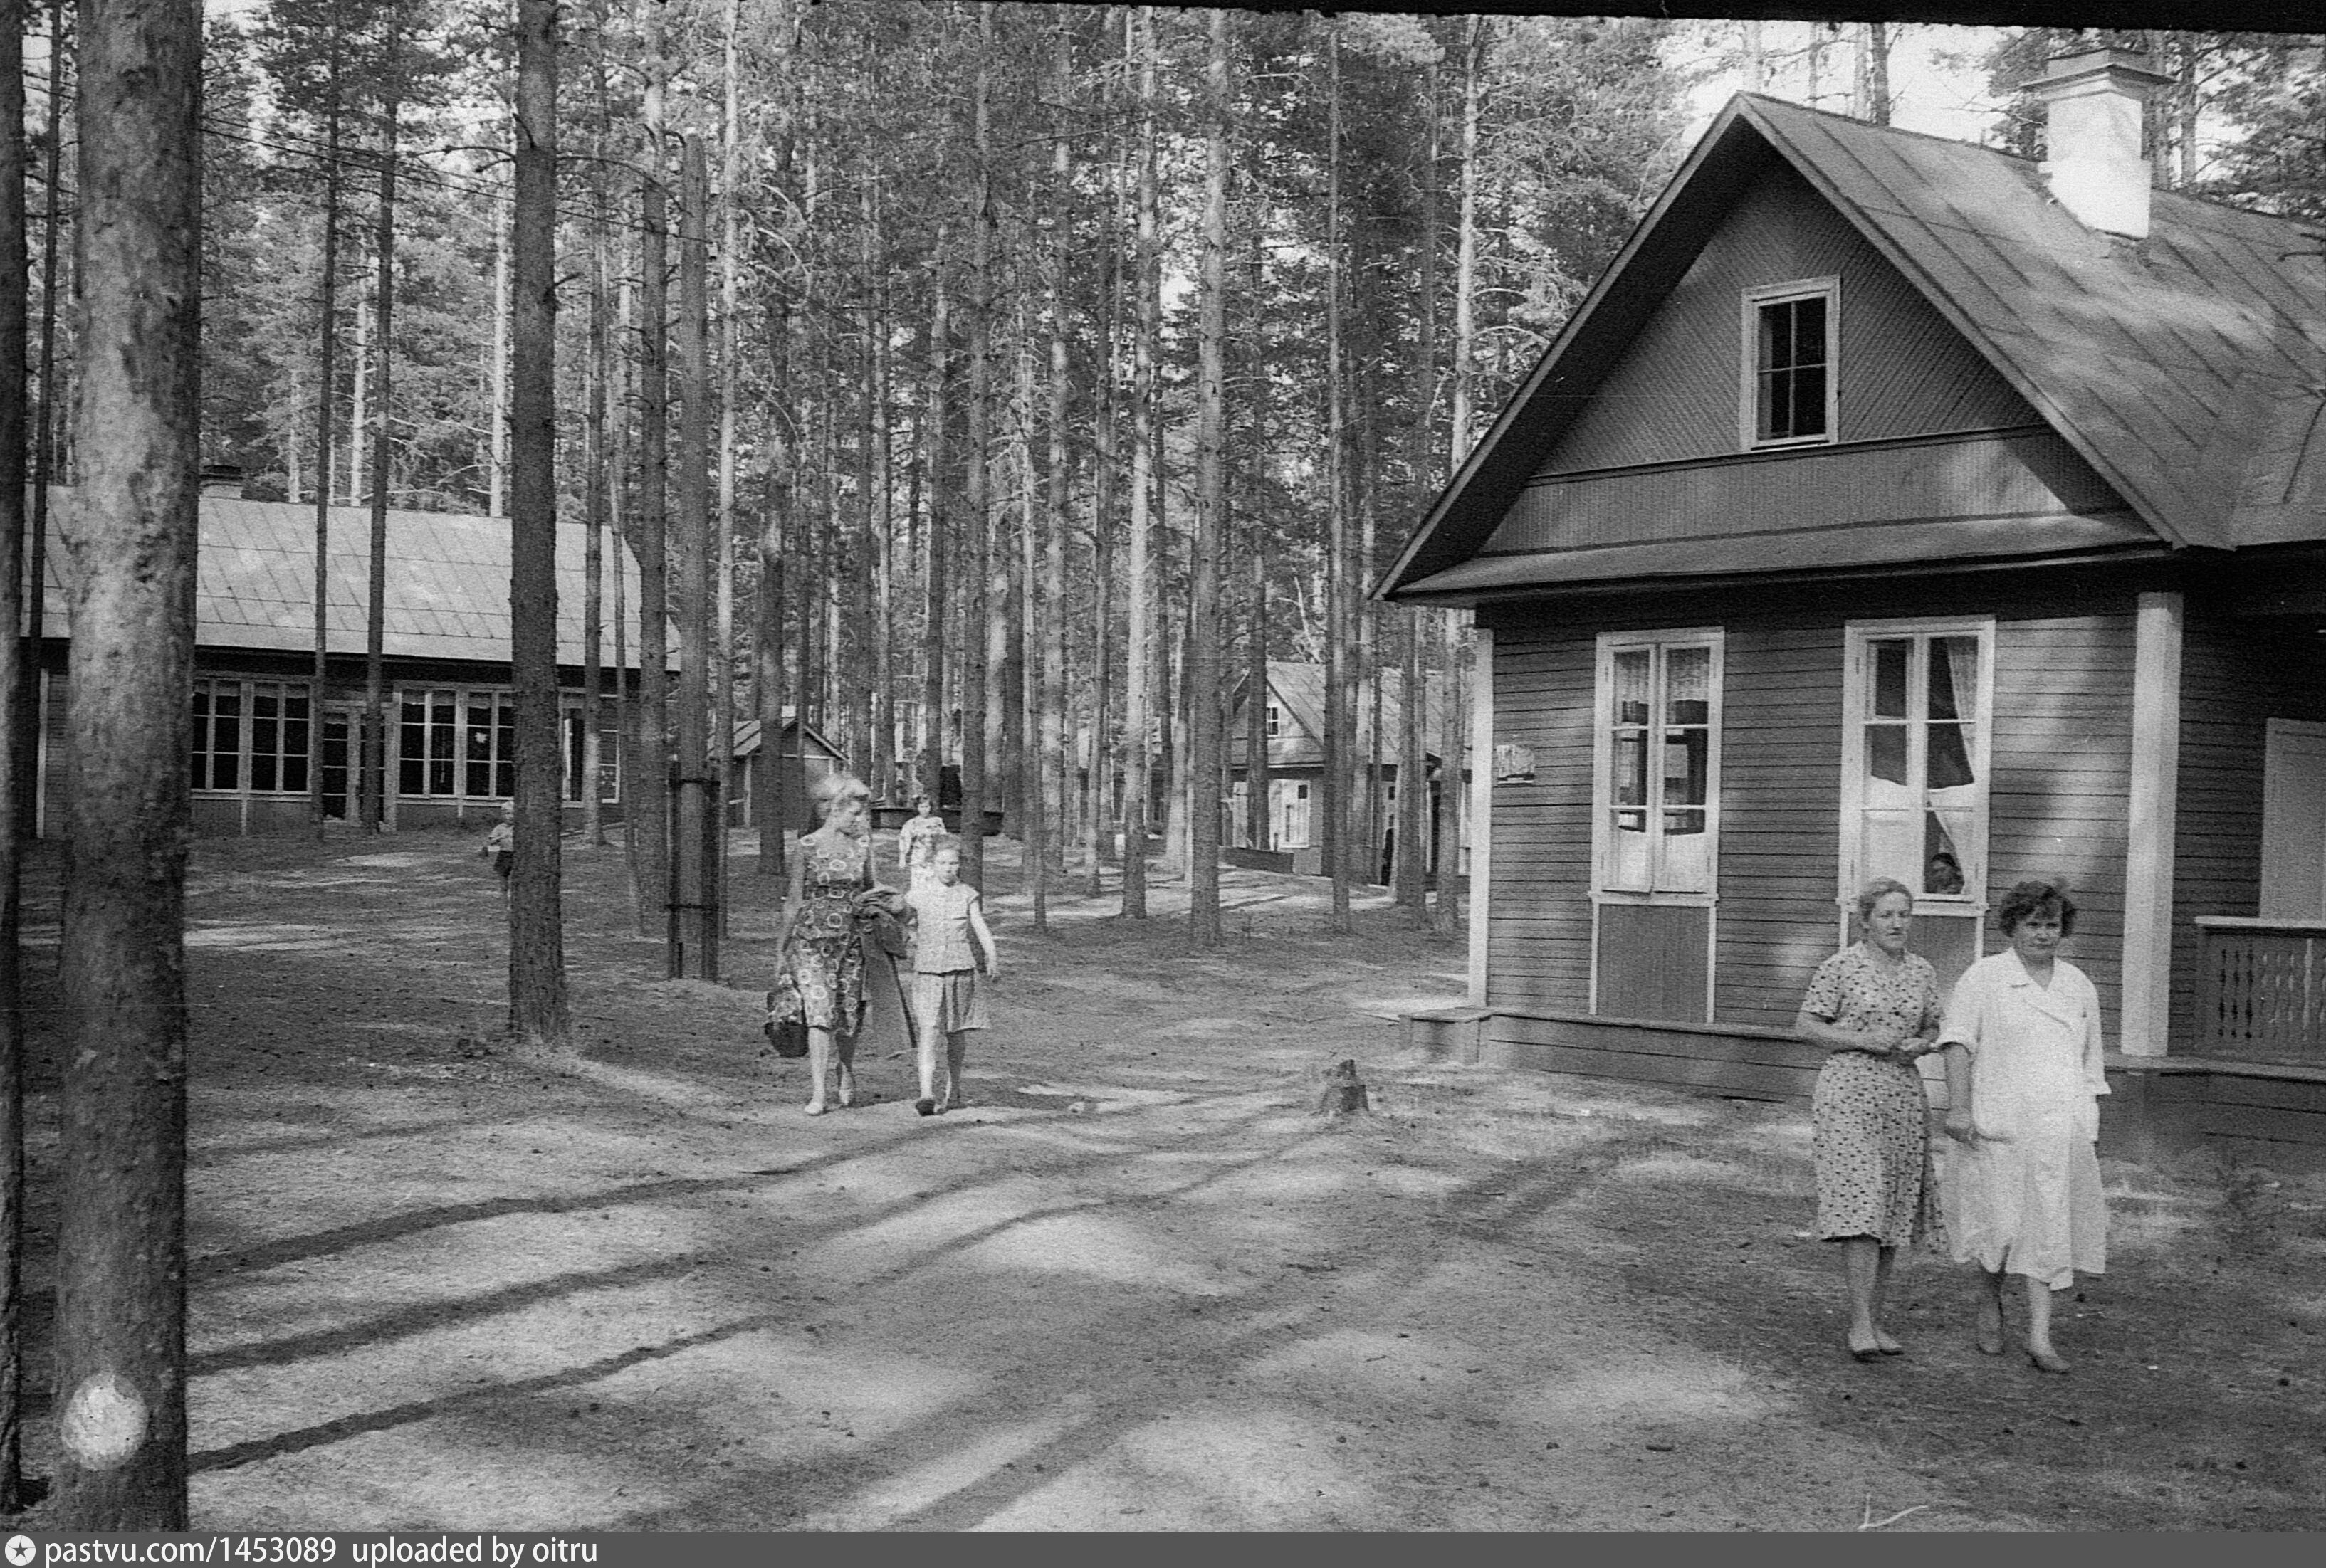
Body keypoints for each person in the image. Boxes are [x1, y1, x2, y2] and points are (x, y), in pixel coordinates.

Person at [1938, 879, 2110, 1375]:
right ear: (2011, 926)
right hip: (1999, 1120)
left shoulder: (2077, 985)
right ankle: (1988, 1299)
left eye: (2051, 924)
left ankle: (2040, 1335)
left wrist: (2087, 1128)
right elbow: (1956, 1044)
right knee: (2000, 1222)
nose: (2042, 934)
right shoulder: (1984, 977)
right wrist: (1959, 1109)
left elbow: (2089, 1064)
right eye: (2032, 924)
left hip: (2057, 1124)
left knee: (2048, 1223)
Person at [1796, 878, 1944, 1362]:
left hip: (1901, 1094)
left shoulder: (1922, 970)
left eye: (1903, 914)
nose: (1897, 923)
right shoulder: (1841, 966)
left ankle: (1875, 1320)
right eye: (1886, 914)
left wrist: (1922, 1042)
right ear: (1865, 920)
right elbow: (1807, 1025)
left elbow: (1933, 1023)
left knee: (1890, 1207)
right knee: (1861, 1202)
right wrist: (1861, 1039)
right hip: (1848, 1093)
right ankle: (1859, 1322)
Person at [770, 772, 879, 1116]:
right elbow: (794, 901)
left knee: (847, 1014)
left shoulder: (864, 847)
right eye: (855, 812)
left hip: (852, 941)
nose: (860, 819)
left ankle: (845, 1068)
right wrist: (780, 949)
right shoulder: (807, 846)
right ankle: (818, 1092)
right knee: (818, 1014)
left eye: (863, 812)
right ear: (834, 809)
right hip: (811, 943)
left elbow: (873, 892)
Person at [905, 837, 998, 1117]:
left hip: (960, 968)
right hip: (928, 970)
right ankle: (926, 1092)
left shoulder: (967, 894)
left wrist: (992, 956)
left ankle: (954, 1088)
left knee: (956, 1032)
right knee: (929, 1028)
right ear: (932, 864)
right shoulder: (917, 895)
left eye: (953, 863)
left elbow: (979, 927)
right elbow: (901, 924)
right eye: (943, 863)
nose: (948, 868)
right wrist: (908, 937)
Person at [898, 794, 947, 892]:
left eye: (927, 807)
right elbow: (904, 839)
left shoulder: (937, 821)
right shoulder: (912, 823)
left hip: (934, 854)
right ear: (917, 808)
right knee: (919, 882)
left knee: (934, 882)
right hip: (919, 855)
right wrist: (902, 858)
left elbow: (944, 838)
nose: (925, 809)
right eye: (922, 807)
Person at [481, 801, 516, 900]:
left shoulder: (520, 827)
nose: (511, 816)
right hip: (505, 854)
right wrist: (500, 838)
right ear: (503, 815)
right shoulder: (500, 828)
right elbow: (490, 842)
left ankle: (514, 894)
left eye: (514, 814)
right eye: (508, 813)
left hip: (518, 855)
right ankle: (504, 893)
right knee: (502, 874)